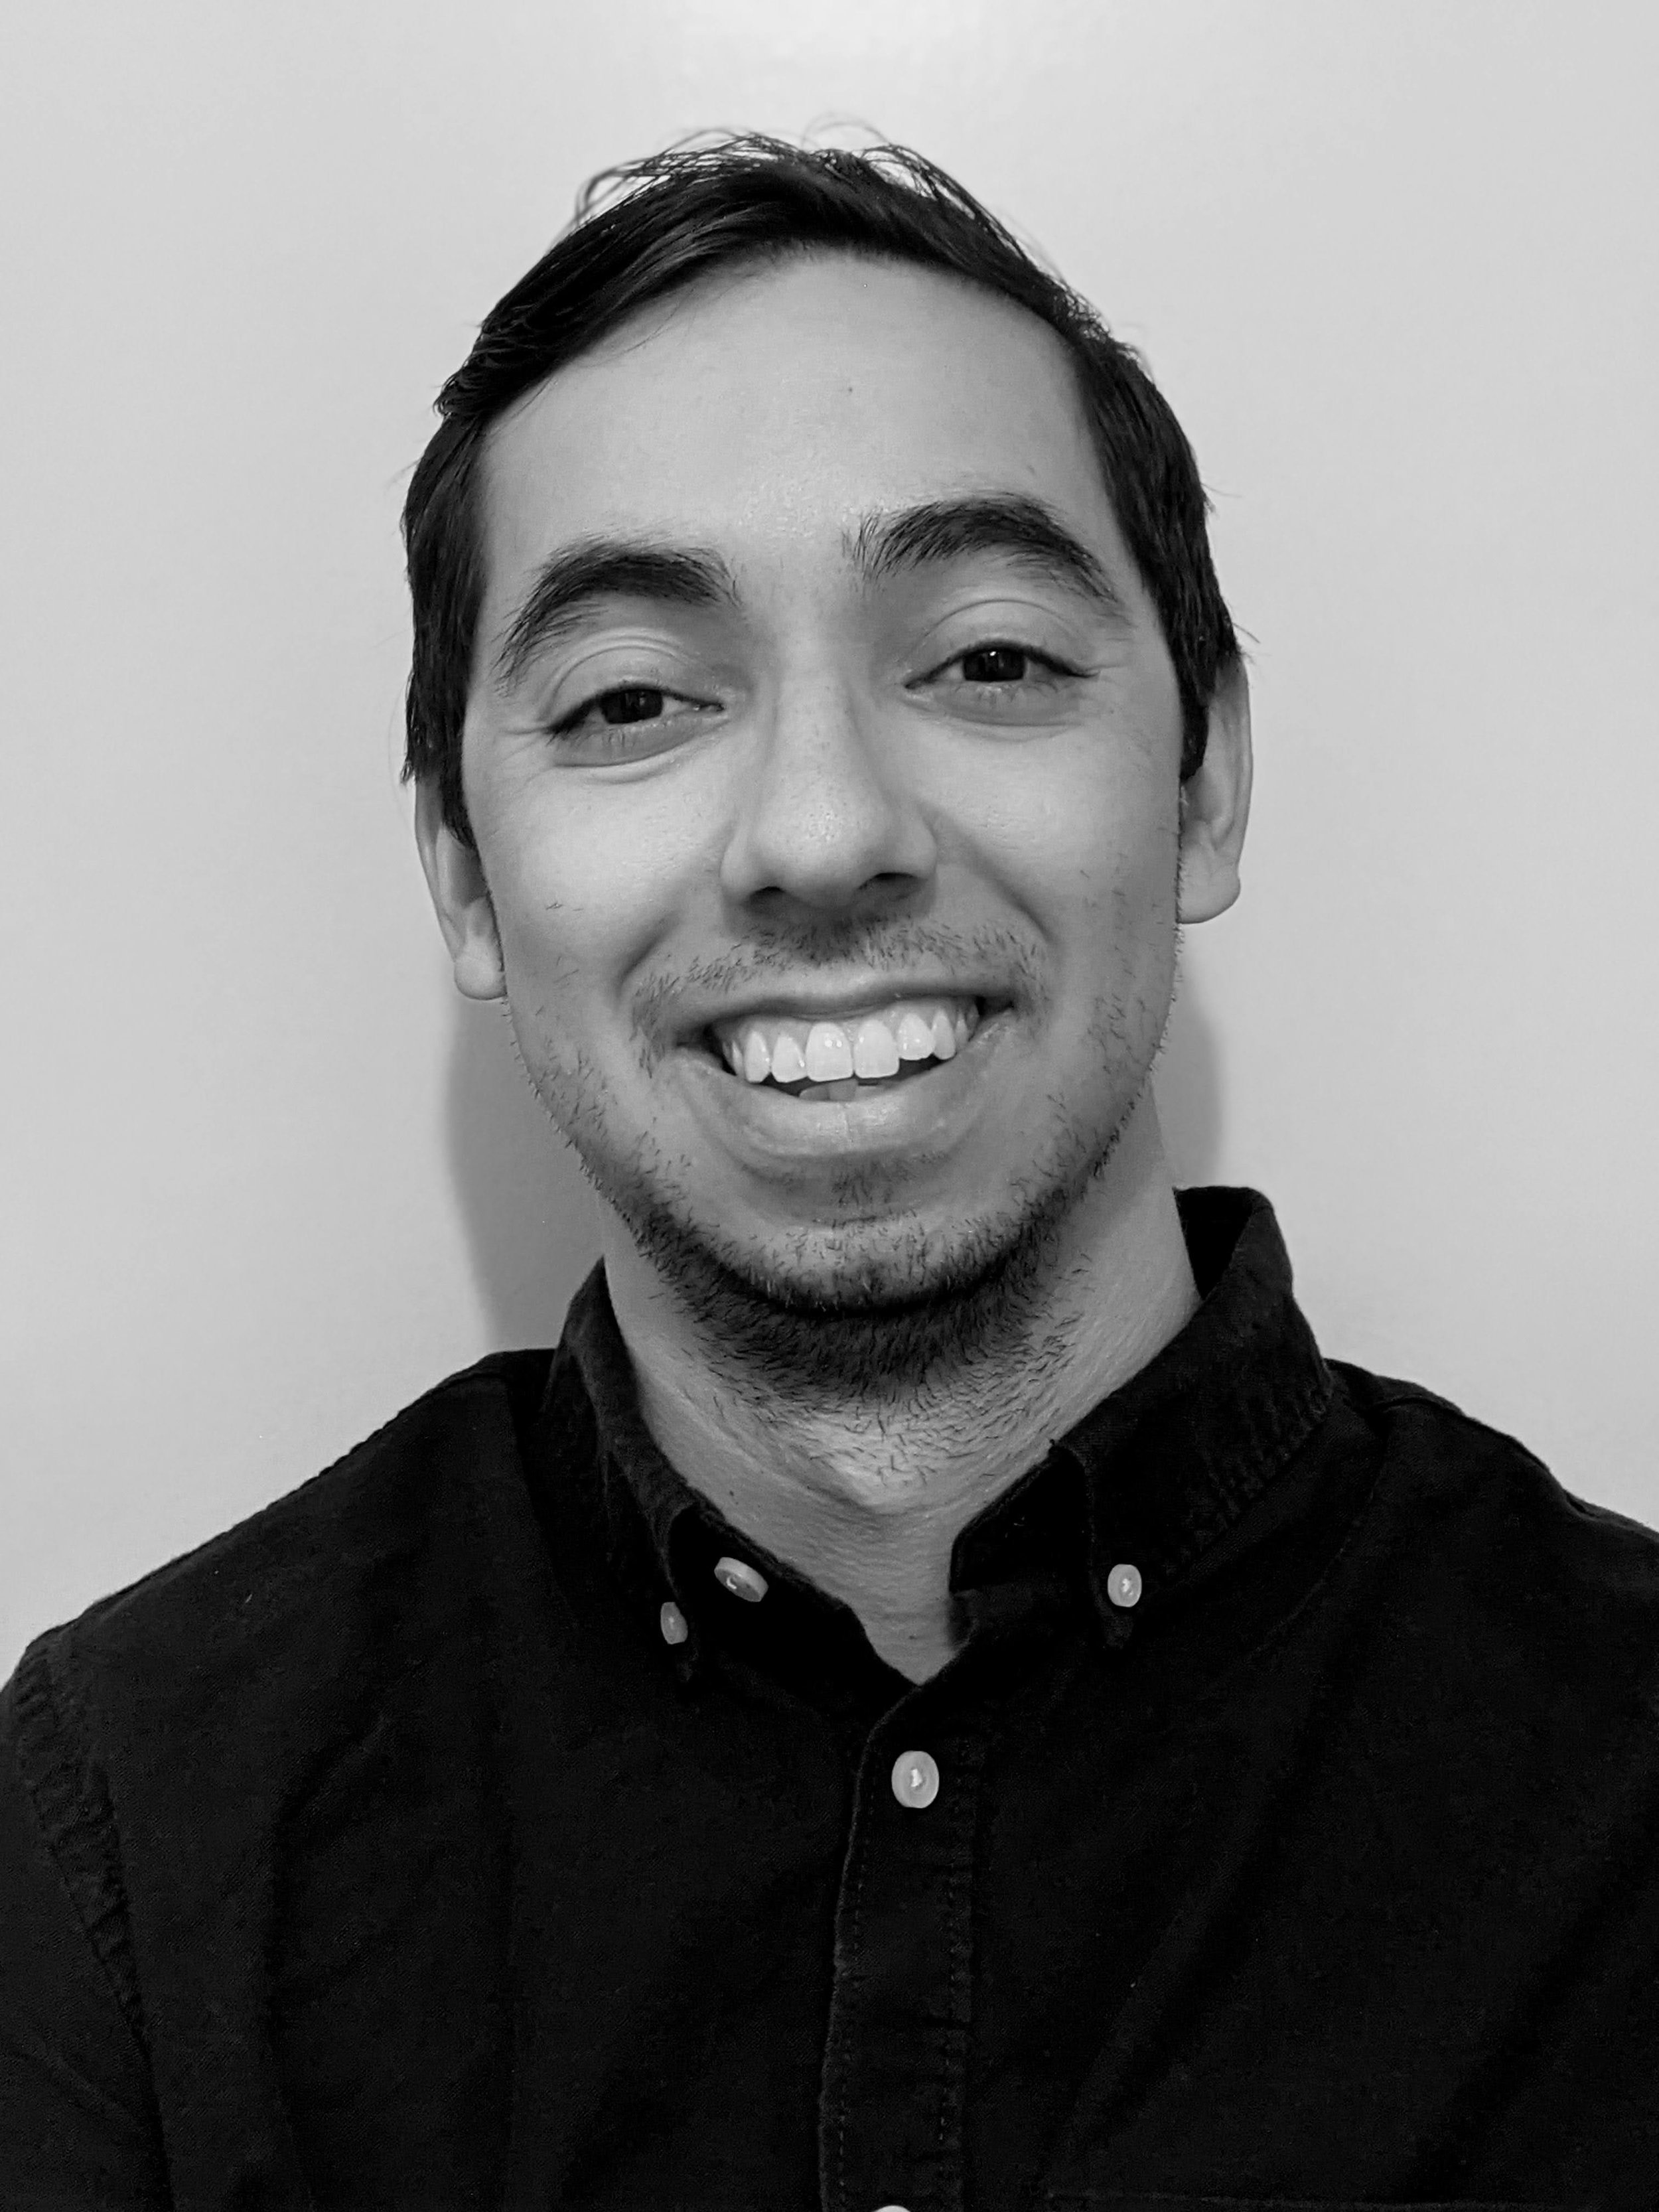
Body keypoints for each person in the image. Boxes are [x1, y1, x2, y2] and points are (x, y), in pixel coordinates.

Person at [2, 133, 1654, 2212]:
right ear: (467, 882)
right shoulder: (134, 1826)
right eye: (629, 700)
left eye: (984, 659)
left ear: (1206, 777)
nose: (818, 827)